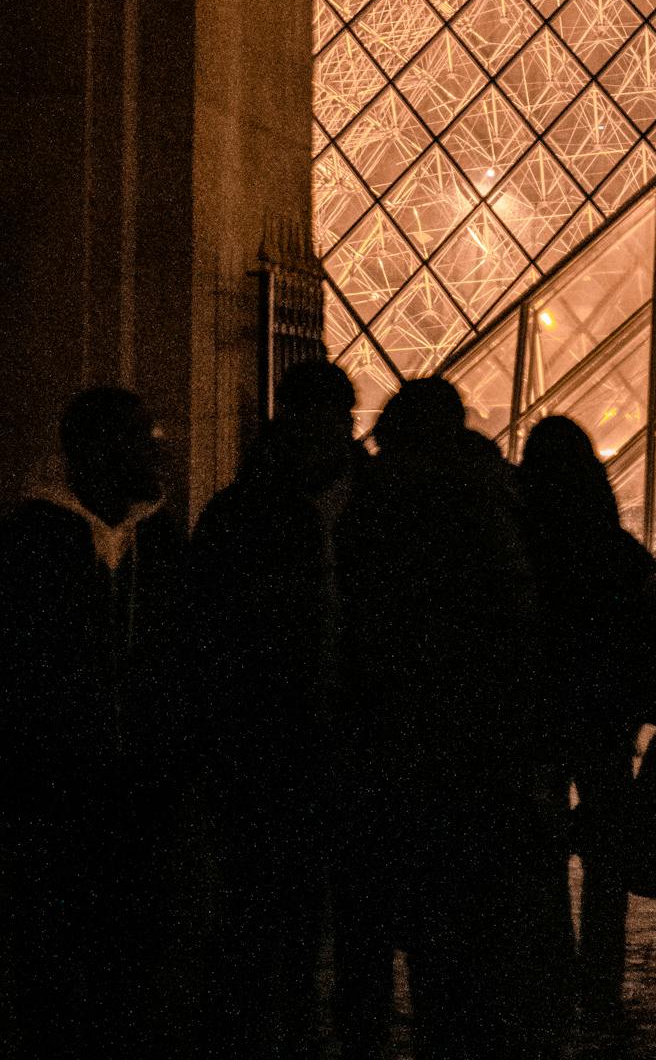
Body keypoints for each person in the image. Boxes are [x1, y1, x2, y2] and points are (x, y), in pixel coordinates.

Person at [334, 376, 560, 1060]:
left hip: (381, 738)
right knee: (459, 942)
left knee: (371, 930)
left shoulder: (364, 502)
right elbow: (516, 625)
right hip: (471, 748)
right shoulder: (482, 501)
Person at [0, 387, 185, 1057]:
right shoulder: (36, 547)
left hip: (128, 798)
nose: (158, 449)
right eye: (144, 437)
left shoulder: (148, 540)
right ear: (102, 452)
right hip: (58, 799)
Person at [185, 359, 360, 1059]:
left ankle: (264, 1017)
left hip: (262, 735)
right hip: (314, 736)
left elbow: (201, 631)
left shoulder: (236, 510)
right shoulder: (374, 509)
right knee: (309, 900)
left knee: (258, 897)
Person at [517, 415, 656, 1045]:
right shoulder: (614, 547)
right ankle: (601, 970)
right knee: (607, 848)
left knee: (539, 841)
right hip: (606, 713)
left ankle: (550, 962)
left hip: (538, 710)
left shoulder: (519, 543)